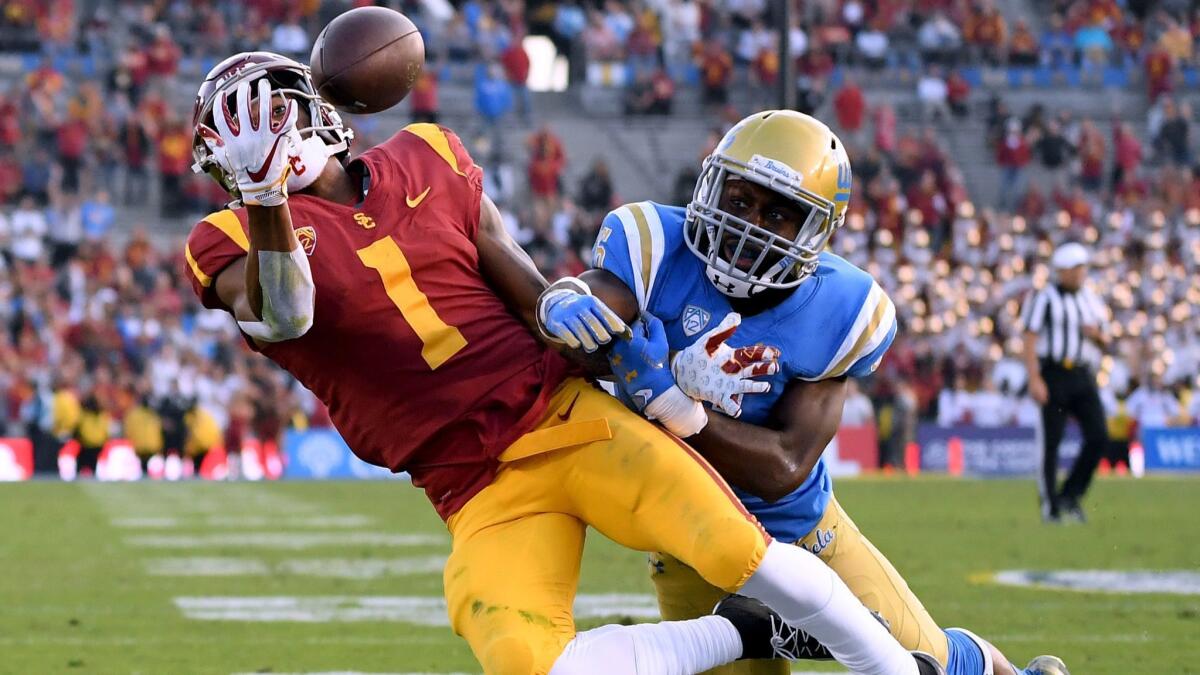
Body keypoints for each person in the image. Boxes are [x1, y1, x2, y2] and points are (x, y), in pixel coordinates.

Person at [184, 52, 927, 675]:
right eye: (240, 132)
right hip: (469, 480)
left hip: (566, 414)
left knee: (742, 549)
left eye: (271, 114)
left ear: (316, 108)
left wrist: (575, 309)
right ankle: (751, 631)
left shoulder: (428, 153)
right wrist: (264, 197)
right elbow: (286, 313)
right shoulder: (225, 238)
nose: (262, 138)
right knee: (527, 661)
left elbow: (530, 289)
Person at [566, 110, 1066, 675]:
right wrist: (559, 299)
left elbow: (785, 465)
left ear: (814, 231)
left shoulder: (843, 308)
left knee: (923, 662)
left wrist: (674, 403)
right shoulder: (654, 244)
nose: (749, 224)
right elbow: (584, 316)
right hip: (690, 535)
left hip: (794, 532)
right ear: (710, 188)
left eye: (778, 213)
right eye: (739, 199)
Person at [1020, 242, 1110, 524]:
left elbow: (1106, 339)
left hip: (1082, 374)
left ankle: (1071, 494)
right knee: (1051, 443)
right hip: (1054, 374)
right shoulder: (1044, 298)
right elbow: (1030, 338)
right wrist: (1034, 378)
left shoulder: (1090, 299)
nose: (1083, 273)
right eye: (1078, 268)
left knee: (1099, 436)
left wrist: (1096, 335)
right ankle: (1051, 506)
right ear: (1065, 271)